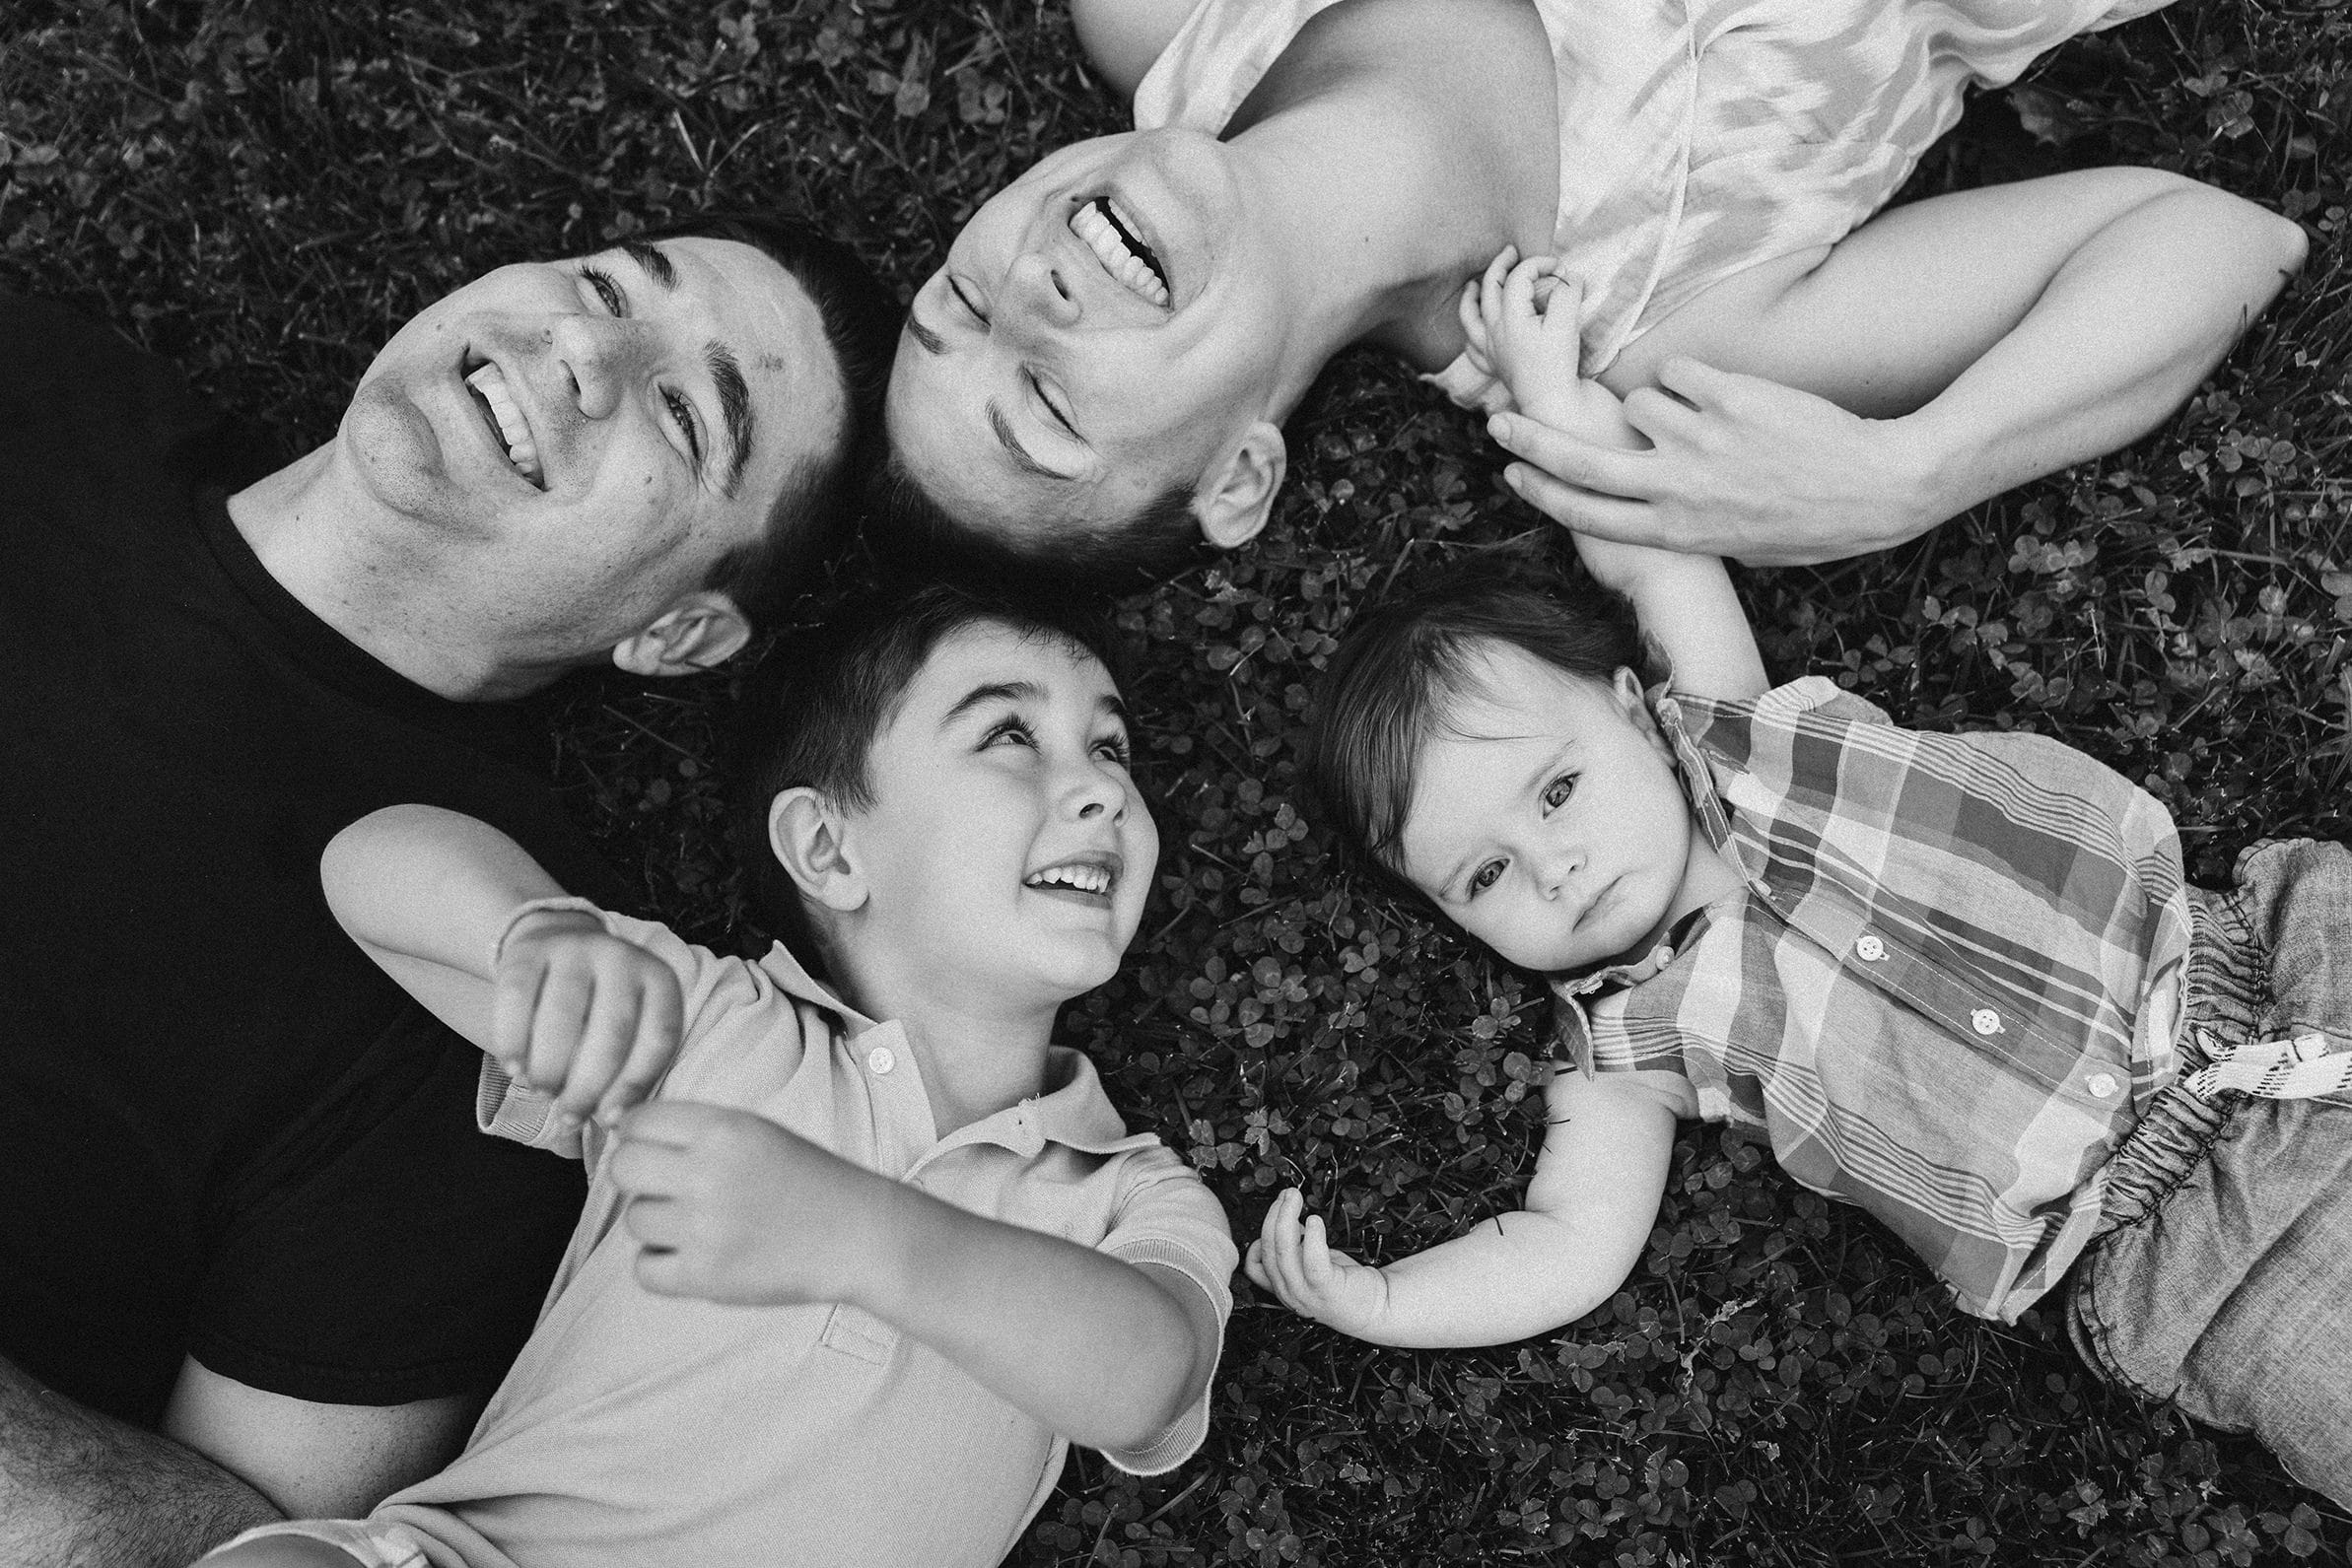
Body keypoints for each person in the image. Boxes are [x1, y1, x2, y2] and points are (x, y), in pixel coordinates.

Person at [1244, 260, 2352, 1505]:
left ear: (1631, 708)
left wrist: (1547, 387)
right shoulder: (1625, 1047)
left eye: (1554, 790)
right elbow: (1568, 1244)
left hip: (2274, 965)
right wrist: (1388, 1298)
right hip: (2196, 1258)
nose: (1551, 865)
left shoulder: (1735, 733)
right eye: (1484, 872)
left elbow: (1646, 562)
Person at [0, 214, 897, 1566]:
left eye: (678, 410)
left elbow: (235, 1541)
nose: (582, 352)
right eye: (606, 284)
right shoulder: (45, 385)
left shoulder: (496, 1001)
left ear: (676, 631)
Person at [195, 580, 1236, 1568]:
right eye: (1010, 734)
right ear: (828, 850)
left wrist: (869, 1238)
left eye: (1110, 746)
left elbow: (1148, 1379)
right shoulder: (720, 1031)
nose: (1103, 785)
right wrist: (529, 933)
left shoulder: (1125, 1193)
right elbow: (369, 864)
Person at [875, 0, 2307, 584]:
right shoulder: (1650, 323)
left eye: (959, 296)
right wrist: (1907, 472)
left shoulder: (1155, 11)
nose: (1032, 295)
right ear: (1238, 476)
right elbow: (2207, 241)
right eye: (1048, 407)